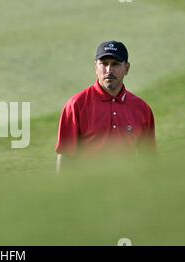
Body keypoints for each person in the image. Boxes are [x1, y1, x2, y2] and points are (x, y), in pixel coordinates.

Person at [55, 40, 156, 174]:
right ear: (96, 67)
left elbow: (149, 159)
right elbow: (66, 157)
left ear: (126, 68)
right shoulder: (76, 105)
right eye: (104, 64)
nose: (109, 69)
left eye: (115, 64)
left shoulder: (142, 109)